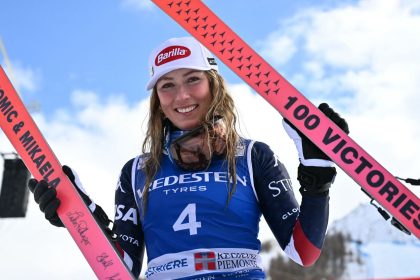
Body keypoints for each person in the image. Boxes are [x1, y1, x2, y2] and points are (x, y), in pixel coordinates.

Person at [28, 36, 349, 279]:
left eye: (192, 80)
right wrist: (83, 218)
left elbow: (303, 251)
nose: (181, 96)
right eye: (167, 86)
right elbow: (121, 269)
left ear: (214, 86)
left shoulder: (252, 156)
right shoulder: (138, 171)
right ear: (158, 100)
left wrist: (316, 175)